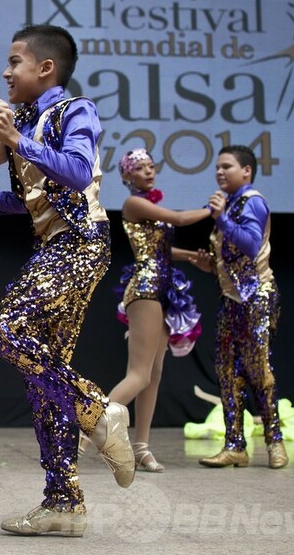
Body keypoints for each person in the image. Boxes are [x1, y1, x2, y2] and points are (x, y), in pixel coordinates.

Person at [0, 24, 135, 537]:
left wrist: (15, 140)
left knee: (3, 329)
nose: (6, 72)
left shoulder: (76, 110)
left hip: (80, 244)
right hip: (54, 246)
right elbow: (36, 198)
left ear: (45, 68)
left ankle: (98, 410)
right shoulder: (29, 123)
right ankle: (64, 504)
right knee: (44, 380)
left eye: (15, 62)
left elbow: (75, 172)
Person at [175, 144, 288, 469]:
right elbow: (232, 260)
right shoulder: (230, 204)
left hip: (257, 297)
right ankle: (235, 445)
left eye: (226, 166)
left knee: (258, 370)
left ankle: (275, 441)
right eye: (217, 167)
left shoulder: (252, 201)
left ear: (246, 171)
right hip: (232, 301)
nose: (219, 172)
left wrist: (221, 217)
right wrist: (209, 265)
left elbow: (250, 246)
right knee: (227, 373)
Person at [104, 148, 209, 473]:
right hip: (145, 289)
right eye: (140, 168)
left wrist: (192, 257)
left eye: (151, 166)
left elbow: (162, 249)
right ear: (127, 176)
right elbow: (179, 219)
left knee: (154, 374)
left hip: (163, 289)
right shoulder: (134, 204)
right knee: (138, 375)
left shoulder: (150, 207)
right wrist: (212, 209)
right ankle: (85, 434)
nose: (149, 171)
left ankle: (141, 447)